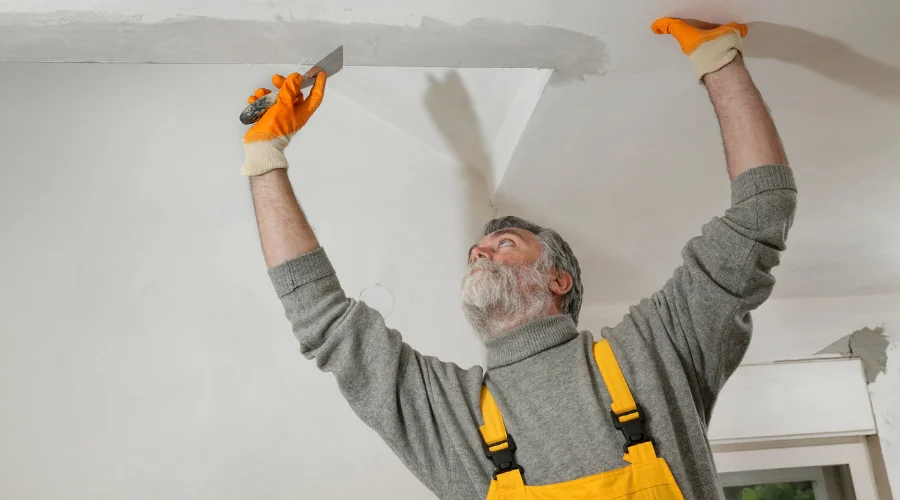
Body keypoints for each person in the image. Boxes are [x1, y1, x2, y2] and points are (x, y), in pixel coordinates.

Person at [239, 18, 797, 500]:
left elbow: (760, 214)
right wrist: (265, 159)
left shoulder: (655, 352)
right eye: (476, 250)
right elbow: (326, 323)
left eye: (504, 243)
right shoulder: (449, 414)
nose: (480, 250)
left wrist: (717, 57)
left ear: (559, 279)